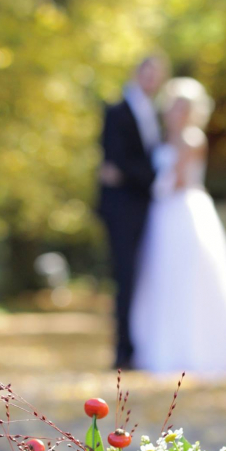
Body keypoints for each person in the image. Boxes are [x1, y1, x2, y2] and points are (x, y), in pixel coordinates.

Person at [130, 77, 226, 378]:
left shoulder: (191, 139)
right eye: (174, 106)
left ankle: (198, 350)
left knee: (190, 278)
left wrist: (148, 191)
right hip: (164, 215)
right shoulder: (162, 140)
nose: (178, 112)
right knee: (163, 278)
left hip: (183, 211)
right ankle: (163, 347)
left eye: (184, 106)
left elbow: (179, 179)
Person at [98, 55, 168, 369]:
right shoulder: (117, 112)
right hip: (123, 209)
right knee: (125, 278)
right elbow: (115, 160)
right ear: (136, 73)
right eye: (147, 73)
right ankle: (122, 351)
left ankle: (142, 345)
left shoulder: (156, 114)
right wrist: (154, 177)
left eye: (157, 75)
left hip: (150, 207)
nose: (151, 80)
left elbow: (127, 166)